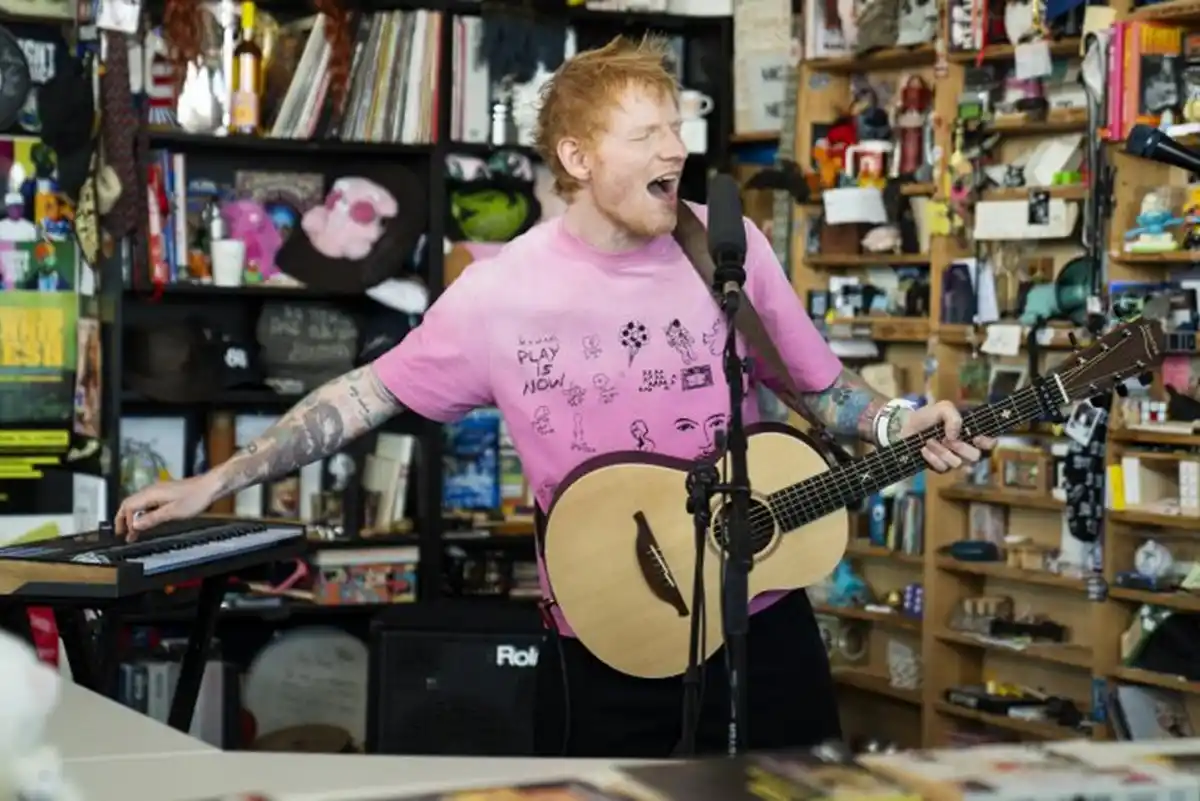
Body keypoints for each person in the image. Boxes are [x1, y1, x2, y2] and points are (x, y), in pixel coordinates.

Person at [116, 36, 993, 758]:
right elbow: (363, 395)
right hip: (607, 643)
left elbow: (821, 390)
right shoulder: (501, 292)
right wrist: (214, 482)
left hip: (761, 628)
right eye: (646, 133)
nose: (674, 149)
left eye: (676, 127)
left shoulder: (728, 248)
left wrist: (895, 422)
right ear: (577, 156)